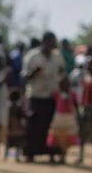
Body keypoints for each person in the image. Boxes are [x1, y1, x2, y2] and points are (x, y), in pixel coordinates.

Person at [22, 32, 63, 162]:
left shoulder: (57, 56)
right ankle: (30, 154)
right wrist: (34, 72)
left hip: (51, 96)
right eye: (49, 41)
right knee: (33, 125)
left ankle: (50, 153)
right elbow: (24, 76)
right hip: (35, 95)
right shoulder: (32, 56)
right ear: (44, 41)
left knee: (50, 126)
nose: (51, 44)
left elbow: (62, 72)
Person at [48, 76, 79, 164]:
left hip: (69, 118)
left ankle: (63, 156)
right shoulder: (57, 94)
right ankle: (53, 156)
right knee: (56, 136)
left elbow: (76, 106)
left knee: (67, 138)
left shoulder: (72, 94)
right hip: (59, 117)